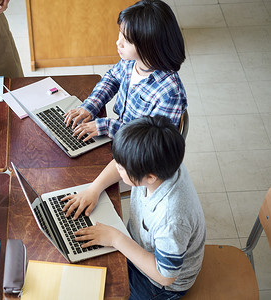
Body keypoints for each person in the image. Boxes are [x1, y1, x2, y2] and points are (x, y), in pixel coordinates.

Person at [63, 116, 205, 300]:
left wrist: (115, 238)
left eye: (122, 169)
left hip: (158, 284)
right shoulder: (163, 161)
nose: (118, 169)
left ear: (150, 177)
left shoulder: (171, 218)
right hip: (138, 245)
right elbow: (120, 163)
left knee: (92, 290)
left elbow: (166, 276)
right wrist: (94, 189)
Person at [64, 0, 187, 141]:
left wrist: (106, 125)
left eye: (127, 40)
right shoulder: (130, 61)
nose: (118, 42)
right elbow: (112, 78)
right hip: (121, 137)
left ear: (149, 45)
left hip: (137, 155)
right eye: (120, 33)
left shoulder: (170, 94)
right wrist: (90, 106)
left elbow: (150, 141)